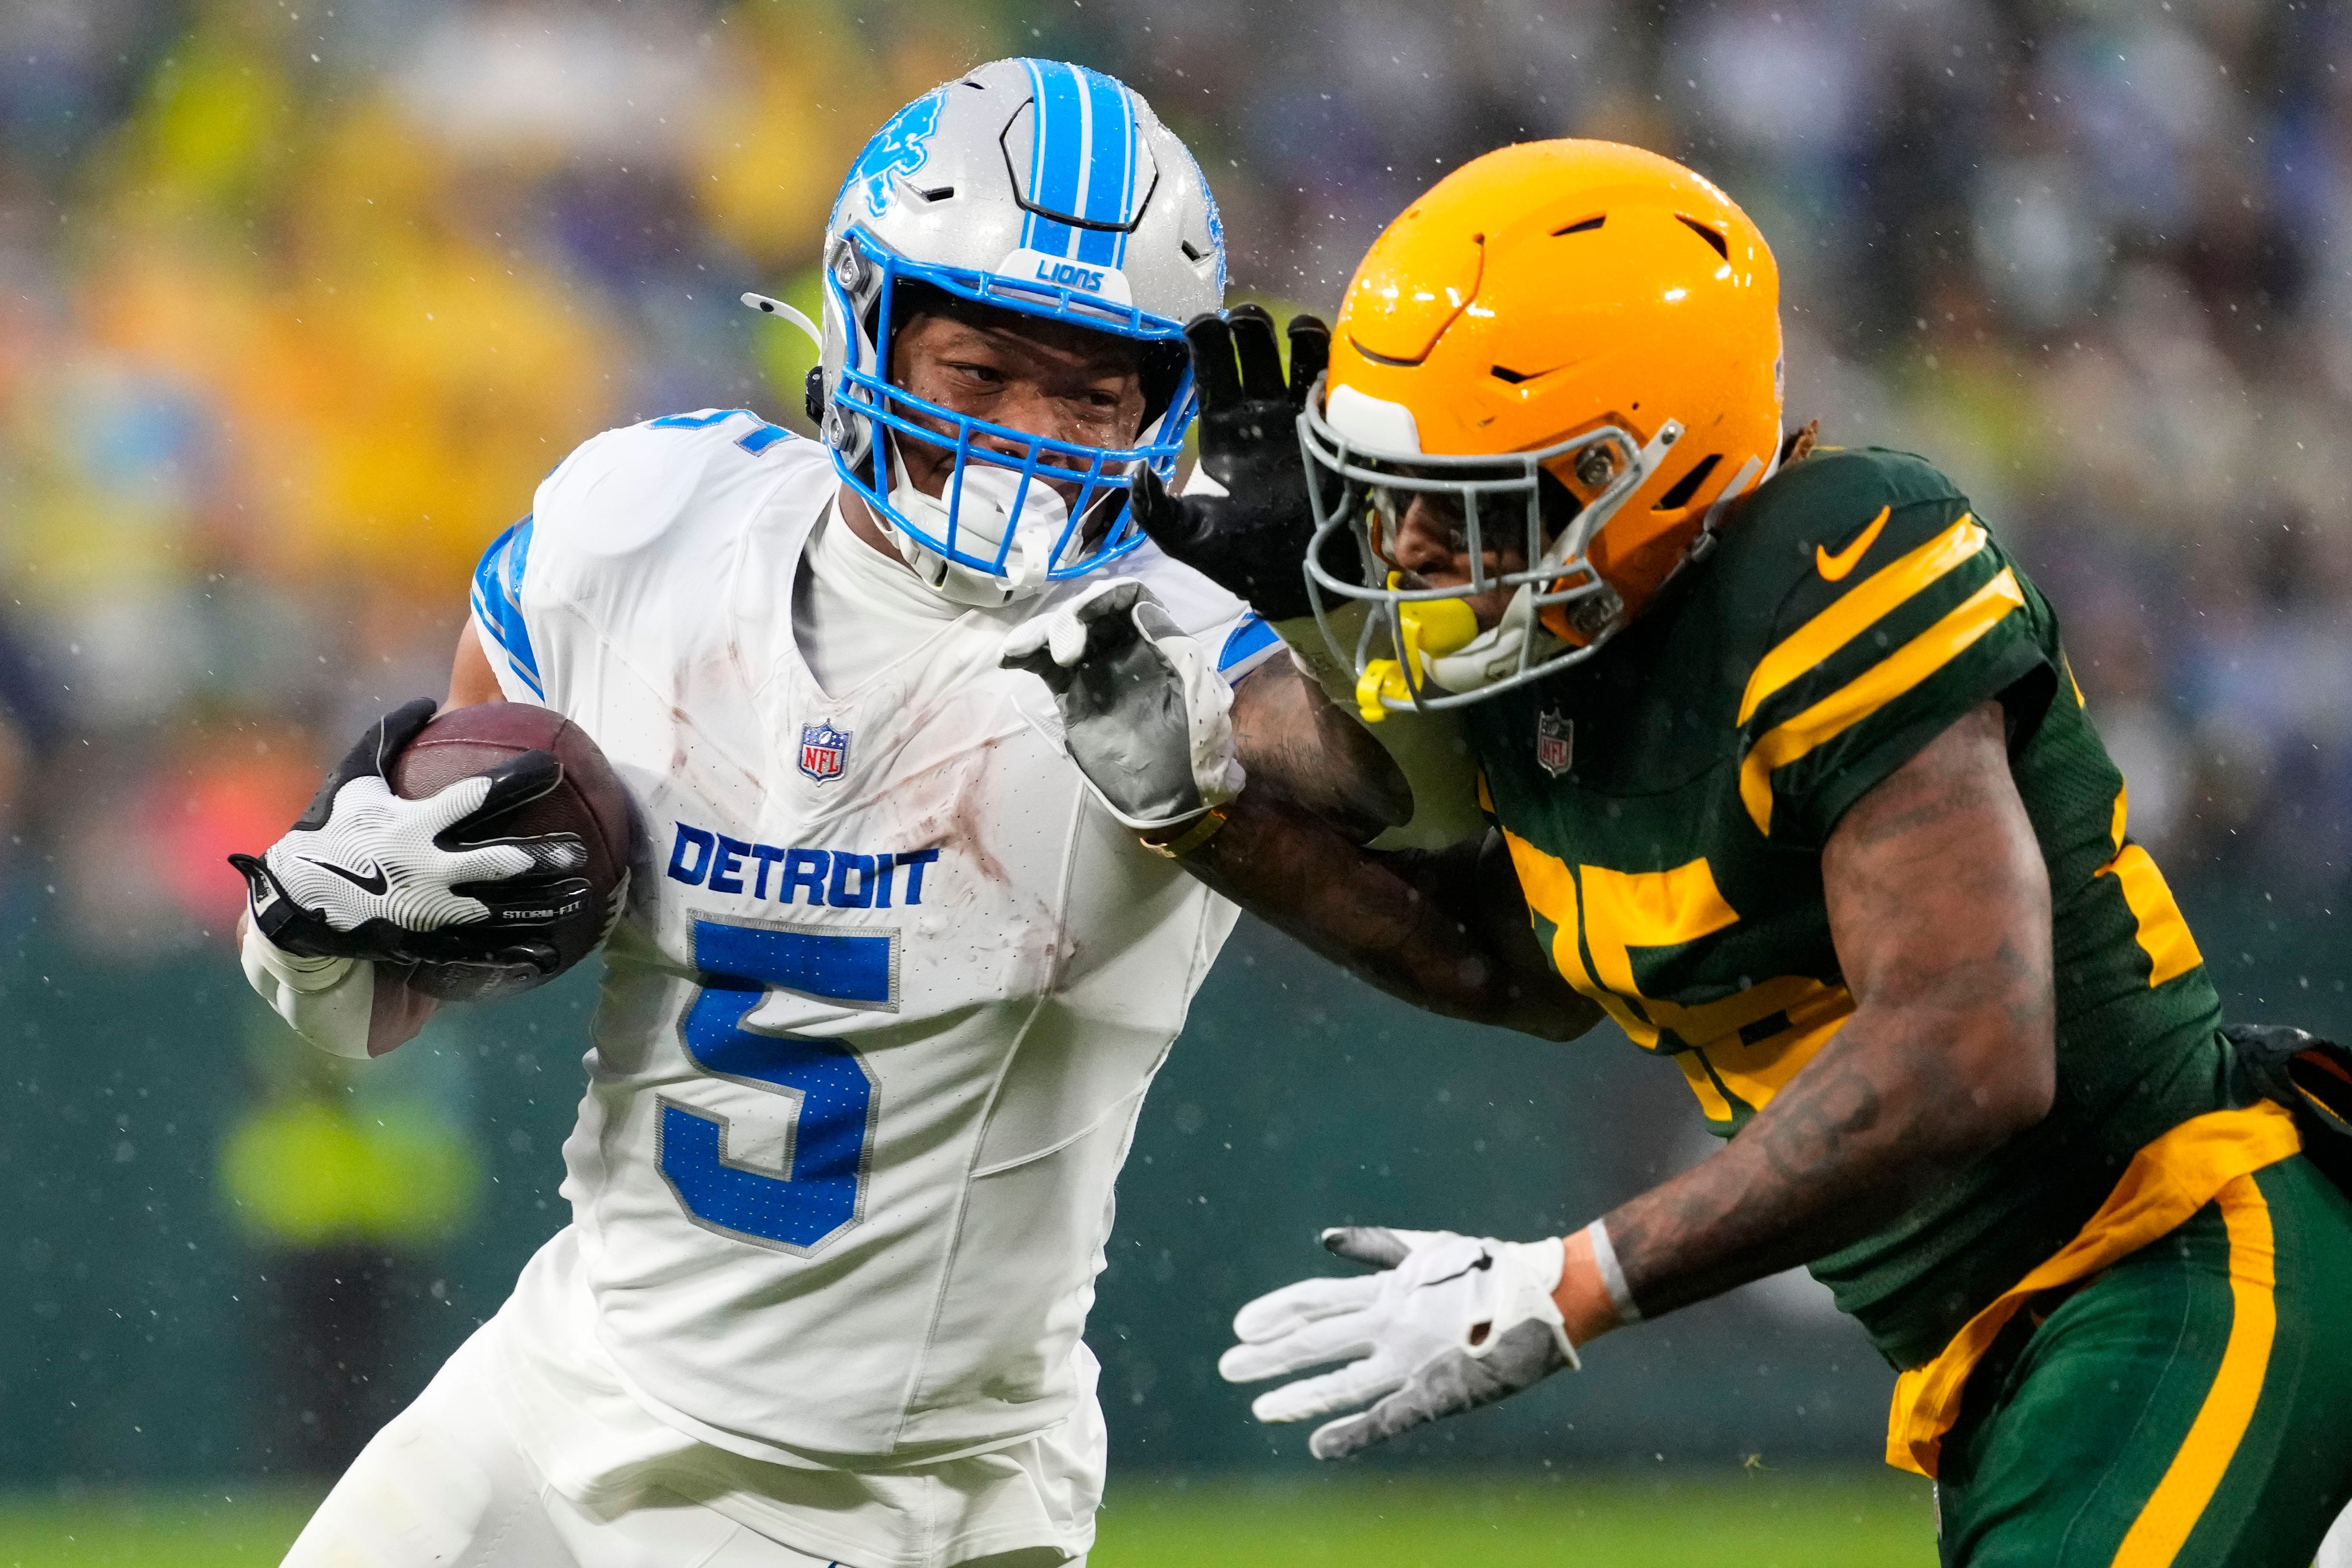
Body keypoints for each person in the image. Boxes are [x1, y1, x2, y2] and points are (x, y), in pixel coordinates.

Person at [1017, 140, 2352, 1565]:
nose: (1403, 548)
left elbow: (1972, 1043)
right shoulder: (1559, 656)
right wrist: (1201, 813)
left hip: (2178, 1257)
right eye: (1385, 492)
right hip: (2019, 1351)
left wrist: (1574, 1285)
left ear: (1642, 471)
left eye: (1466, 501)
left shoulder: (1839, 555)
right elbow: (1513, 968)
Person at [231, 59, 1302, 1568]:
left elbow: (1447, 895)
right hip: (562, 1383)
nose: (1027, 437)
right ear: (864, 320)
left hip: (884, 1497)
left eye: (1090, 389)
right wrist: (335, 919)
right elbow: (391, 974)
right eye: (979, 373)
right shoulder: (641, 525)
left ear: (1164, 398)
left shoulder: (1183, 657)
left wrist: (1344, 623)